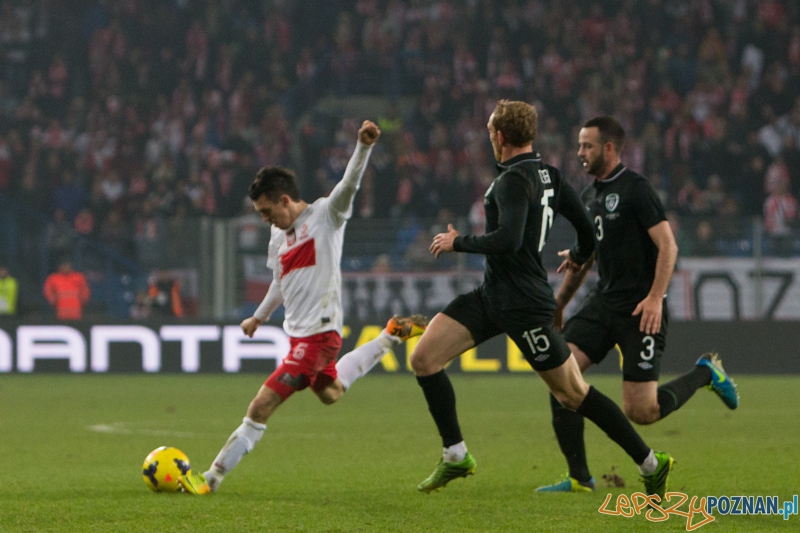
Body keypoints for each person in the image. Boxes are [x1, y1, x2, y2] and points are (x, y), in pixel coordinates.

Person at [411, 100, 674, 498]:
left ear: (499, 136)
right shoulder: (548, 175)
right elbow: (587, 231)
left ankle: (651, 463)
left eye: (489, 131)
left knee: (572, 394)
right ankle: (455, 455)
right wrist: (582, 255)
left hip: (525, 307)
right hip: (492, 296)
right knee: (425, 358)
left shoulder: (513, 181)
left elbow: (509, 239)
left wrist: (457, 242)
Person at [178, 120, 428, 495]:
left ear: (284, 200)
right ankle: (391, 335)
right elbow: (280, 282)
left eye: (266, 211)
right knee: (331, 393)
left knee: (261, 405)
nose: (264, 219)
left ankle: (210, 479)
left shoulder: (326, 216)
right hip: (297, 335)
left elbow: (350, 185)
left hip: (318, 336)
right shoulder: (278, 237)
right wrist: (258, 317)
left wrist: (363, 147)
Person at [536, 116, 739, 493]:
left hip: (641, 309)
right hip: (604, 304)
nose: (580, 153)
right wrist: (560, 304)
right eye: (579, 145)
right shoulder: (589, 197)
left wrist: (655, 298)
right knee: (559, 377)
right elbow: (585, 257)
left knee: (641, 411)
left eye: (587, 146)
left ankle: (706, 372)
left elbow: (668, 246)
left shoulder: (636, 189)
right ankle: (580, 478)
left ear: (609, 148)